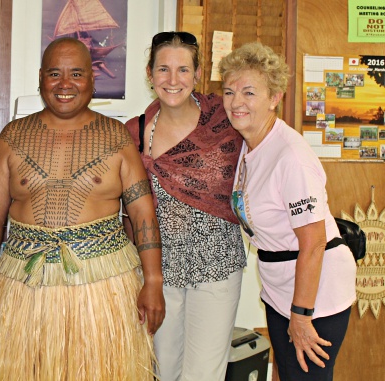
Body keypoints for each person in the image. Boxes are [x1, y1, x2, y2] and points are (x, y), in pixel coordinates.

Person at [0, 37, 165, 380]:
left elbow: (143, 214)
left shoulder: (117, 137)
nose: (65, 84)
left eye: (76, 74)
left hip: (104, 281)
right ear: (40, 78)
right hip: (24, 283)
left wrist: (153, 280)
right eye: (54, 74)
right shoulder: (13, 136)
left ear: (92, 79)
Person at [219, 42, 356, 380]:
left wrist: (301, 315)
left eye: (249, 92)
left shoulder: (290, 156)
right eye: (229, 91)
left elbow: (313, 243)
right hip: (280, 287)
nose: (236, 102)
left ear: (274, 97)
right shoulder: (249, 145)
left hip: (316, 294)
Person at [124, 31, 246, 381]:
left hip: (218, 266)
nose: (173, 80)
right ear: (149, 74)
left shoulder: (225, 121)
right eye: (163, 69)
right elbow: (126, 207)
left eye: (182, 70)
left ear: (197, 73)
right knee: (162, 370)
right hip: (159, 272)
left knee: (204, 374)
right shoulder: (136, 131)